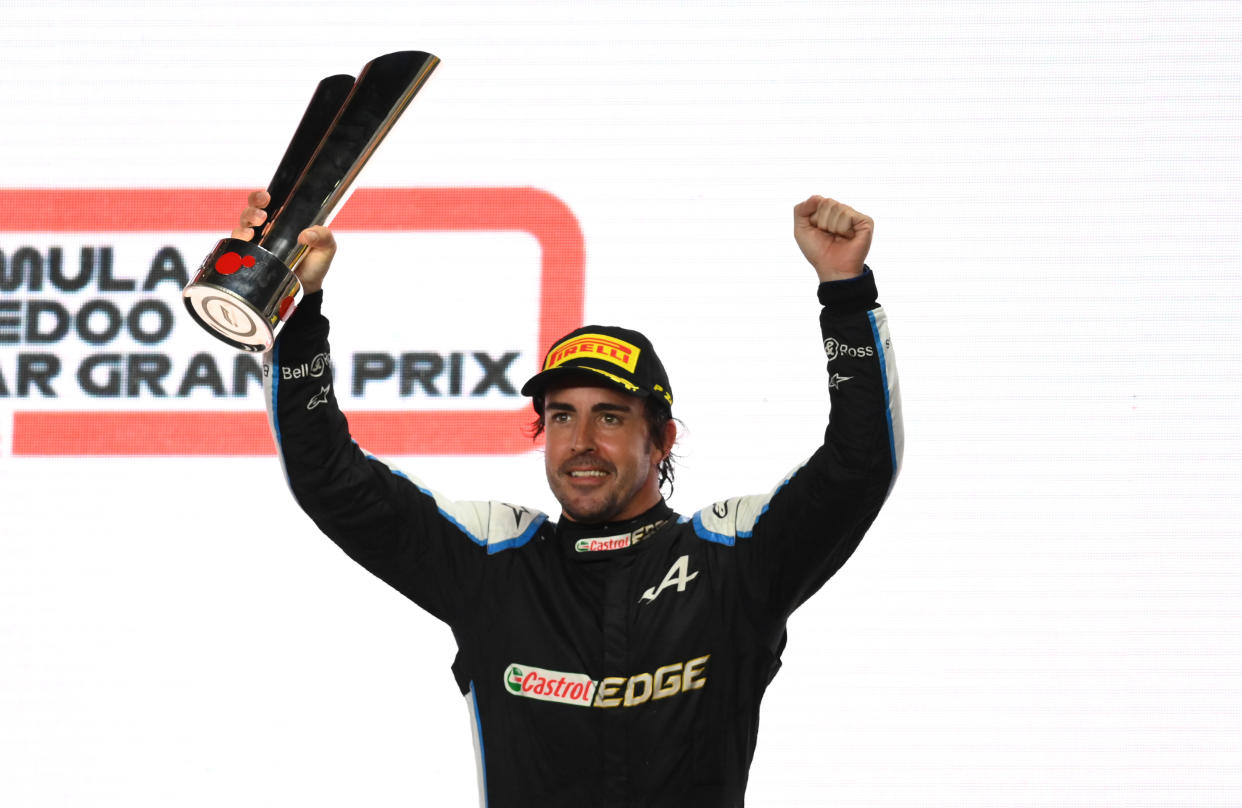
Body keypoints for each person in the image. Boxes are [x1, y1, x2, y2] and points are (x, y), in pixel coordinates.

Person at [239, 191, 903, 807]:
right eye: (561, 416)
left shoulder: (732, 565)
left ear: (661, 439)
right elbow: (329, 477)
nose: (581, 442)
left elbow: (858, 467)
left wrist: (845, 294)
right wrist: (297, 313)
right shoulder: (494, 564)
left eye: (610, 417)